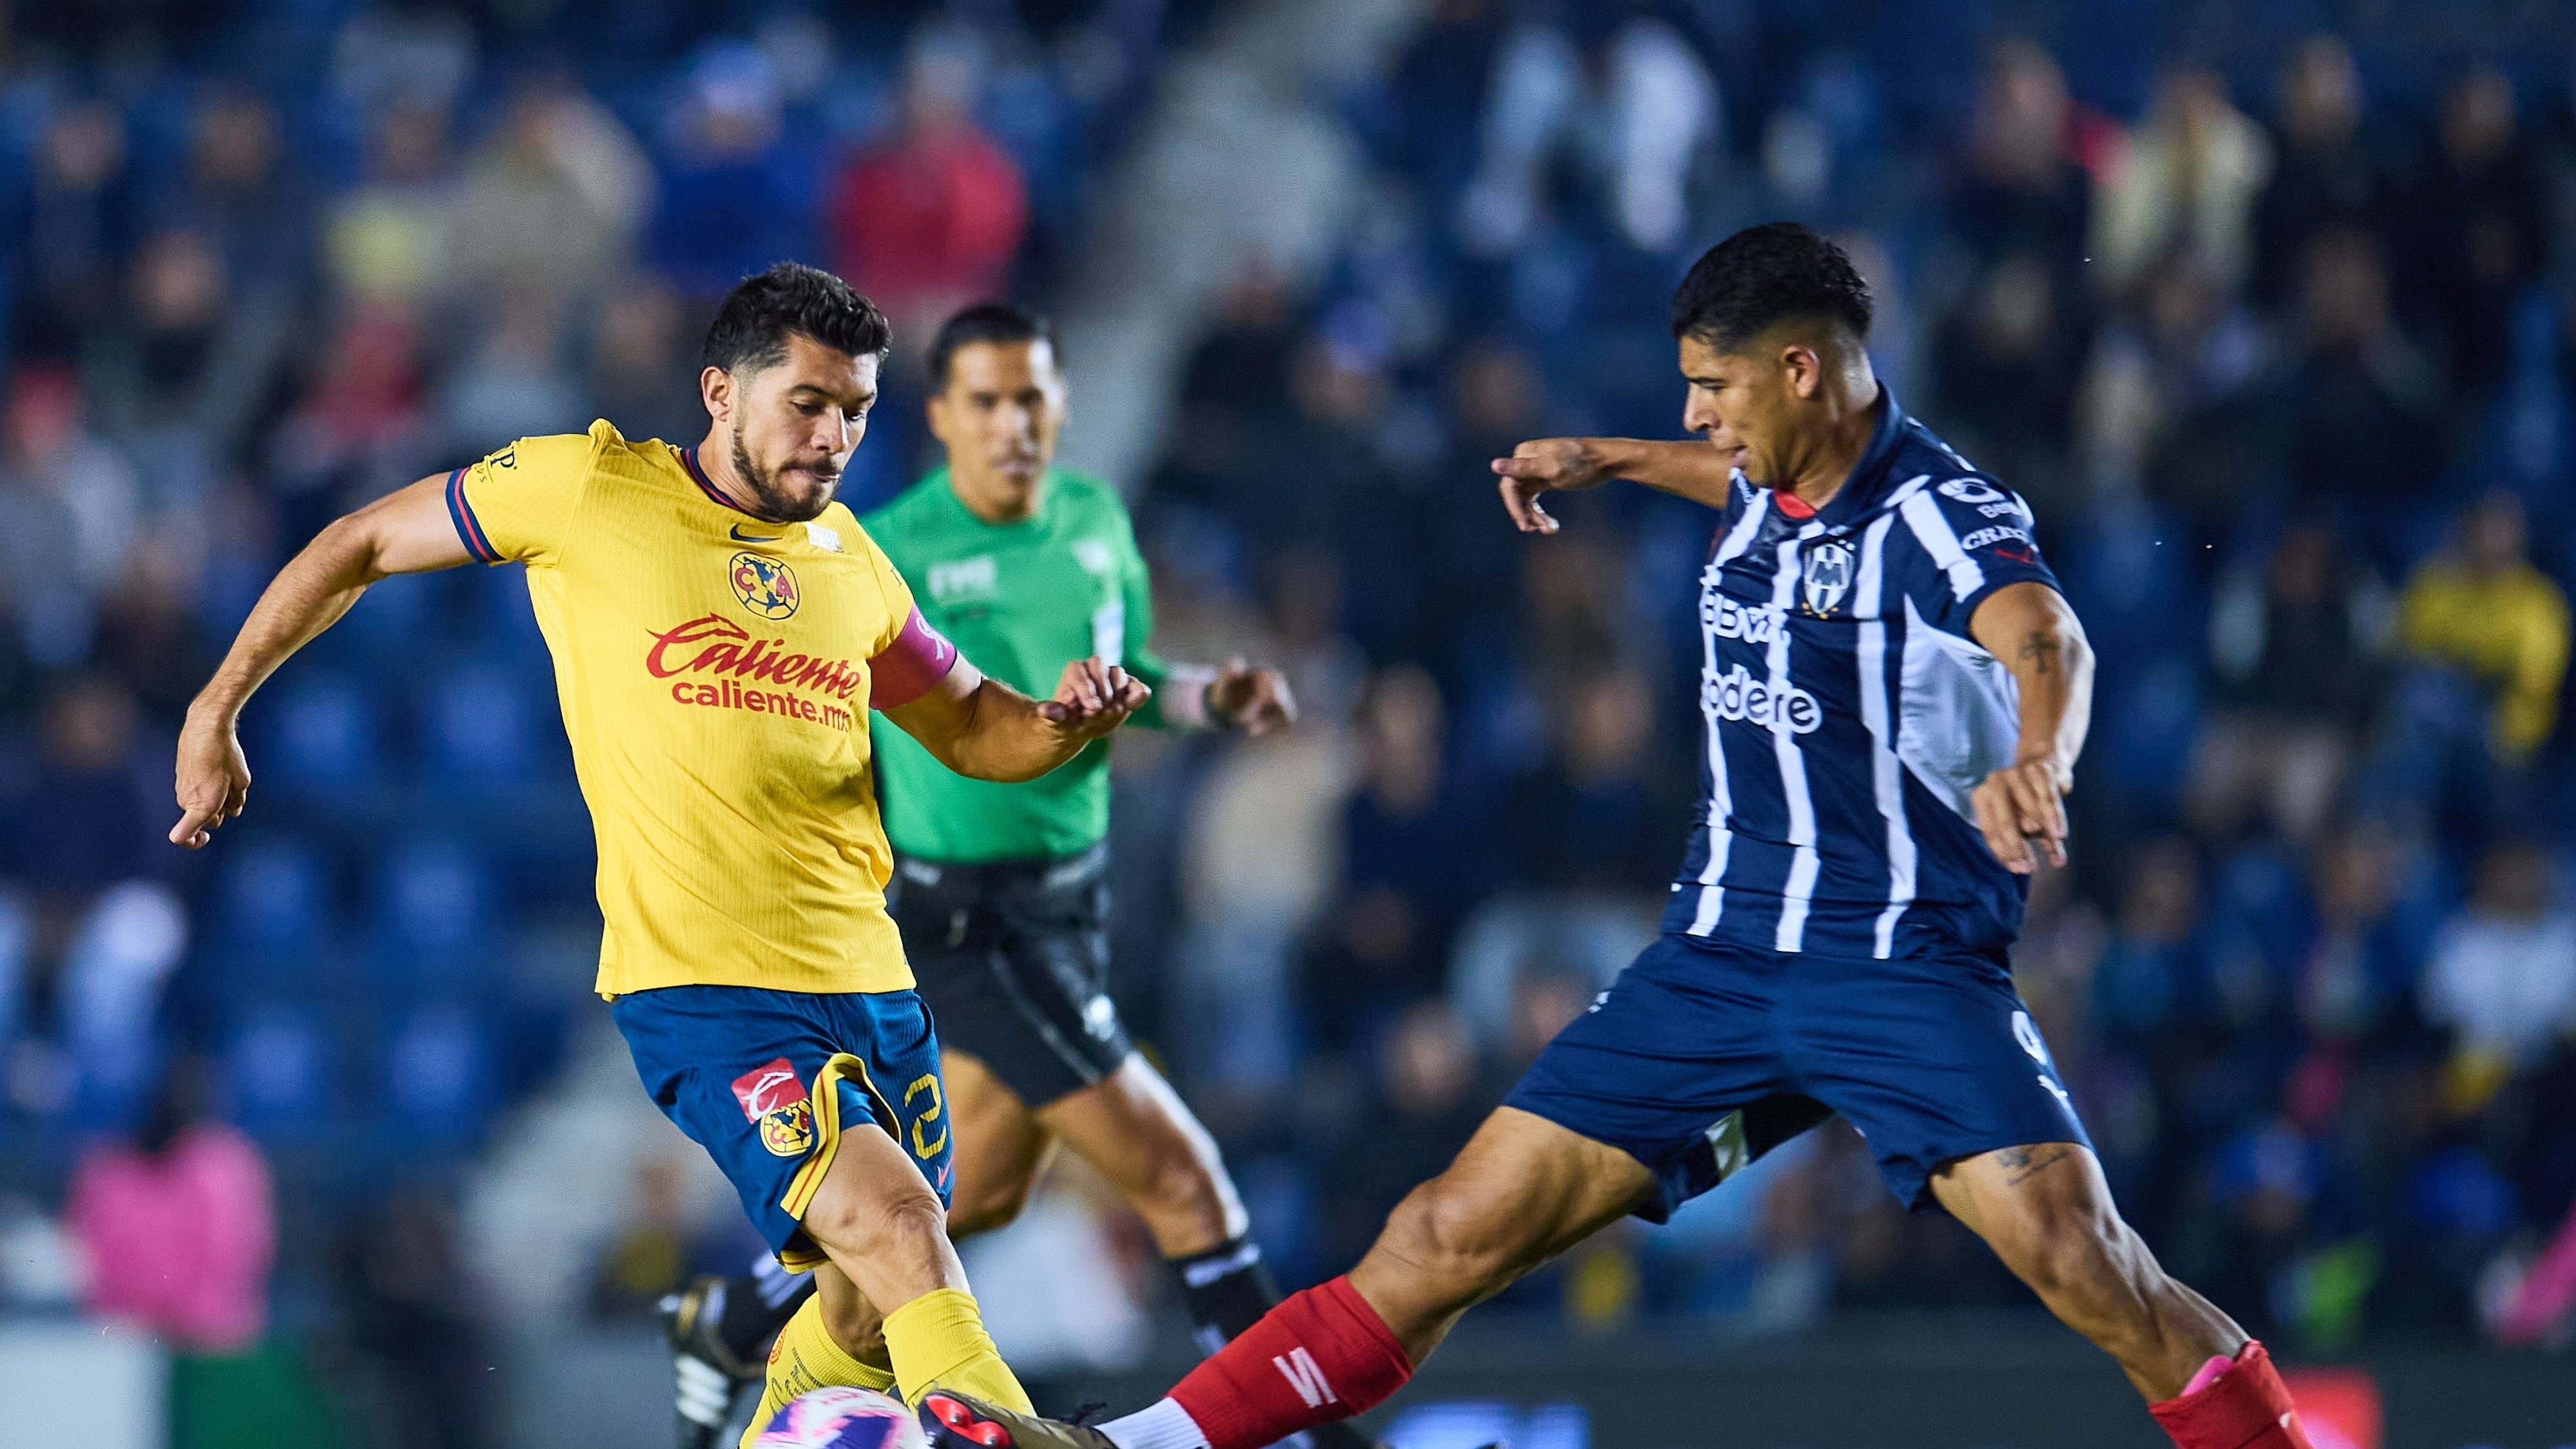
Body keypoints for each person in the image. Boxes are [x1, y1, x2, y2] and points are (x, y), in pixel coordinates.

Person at [910, 225, 2314, 1449]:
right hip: (1710, 964)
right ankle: (1128, 1447)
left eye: (1712, 388)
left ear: (1799, 372)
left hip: (1896, 968)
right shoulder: (1776, 469)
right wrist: (1612, 460)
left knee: (2085, 1262)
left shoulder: (1937, 518)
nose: (1698, 416)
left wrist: (2035, 759)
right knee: (1444, 1234)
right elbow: (1744, 490)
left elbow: (2040, 632)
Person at [170, 263, 1149, 1446]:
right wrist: (217, 706)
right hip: (711, 987)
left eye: (856, 410)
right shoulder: (589, 489)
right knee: (898, 1228)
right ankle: (1015, 1433)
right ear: (718, 392)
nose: (834, 436)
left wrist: (1060, 721)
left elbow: (972, 725)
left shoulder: (852, 563)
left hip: (876, 987)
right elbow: (363, 540)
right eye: (807, 402)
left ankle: (771, 1411)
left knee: (867, 1309)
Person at [661, 302, 1365, 1449]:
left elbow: (1130, 671)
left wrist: (1208, 697)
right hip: (966, 922)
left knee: (961, 1199)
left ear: (1061, 406)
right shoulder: (871, 547)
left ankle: (731, 1318)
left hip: (1074, 905)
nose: (1013, 423)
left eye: (1032, 397)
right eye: (985, 400)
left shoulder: (1094, 521)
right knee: (1187, 1185)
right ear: (940, 415)